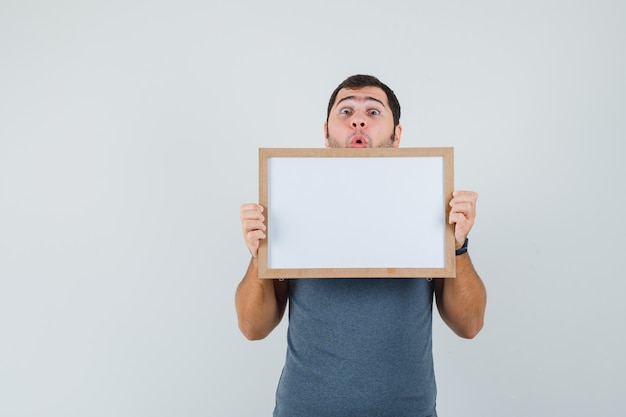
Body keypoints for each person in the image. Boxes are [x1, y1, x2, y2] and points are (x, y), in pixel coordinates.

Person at [236, 74, 487, 417]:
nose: (358, 119)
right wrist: (259, 254)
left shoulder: (429, 206)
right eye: (346, 111)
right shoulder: (293, 203)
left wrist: (457, 246)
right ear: (326, 132)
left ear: (397, 134)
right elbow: (253, 328)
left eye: (373, 111)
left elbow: (469, 325)